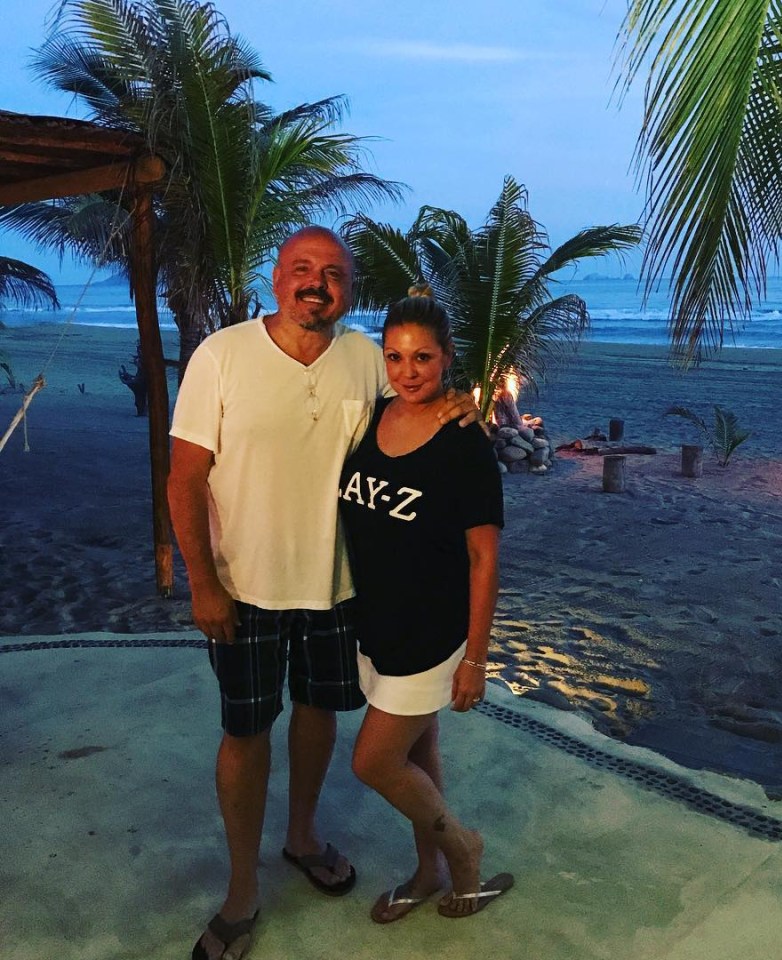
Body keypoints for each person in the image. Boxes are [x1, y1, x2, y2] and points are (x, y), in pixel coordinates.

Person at [167, 227, 477, 960]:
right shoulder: (222, 356)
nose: (317, 283)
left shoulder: (369, 359)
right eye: (302, 269)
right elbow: (183, 478)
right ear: (275, 278)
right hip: (242, 588)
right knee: (244, 736)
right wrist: (202, 583)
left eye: (333, 273)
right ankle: (242, 895)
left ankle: (301, 836)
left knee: (316, 716)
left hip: (339, 590)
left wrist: (461, 403)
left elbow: (417, 406)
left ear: (349, 288)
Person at [339, 286, 513, 923]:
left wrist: (476, 658)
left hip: (431, 634)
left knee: (374, 761)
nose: (408, 372)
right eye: (395, 357)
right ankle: (428, 869)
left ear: (447, 359)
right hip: (377, 624)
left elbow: (484, 558)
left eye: (423, 359)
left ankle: (461, 847)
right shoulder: (375, 416)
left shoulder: (463, 440)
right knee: (417, 750)